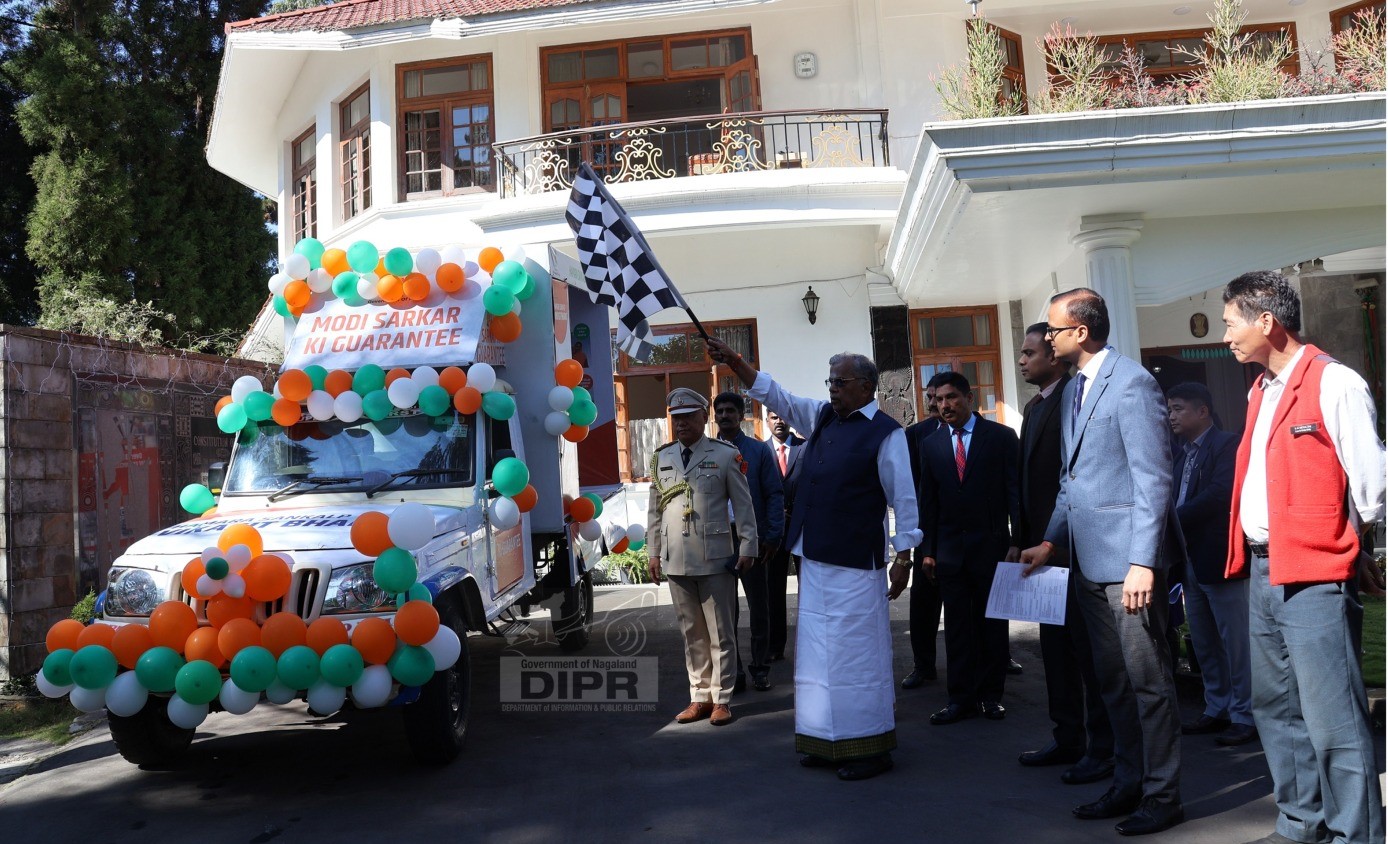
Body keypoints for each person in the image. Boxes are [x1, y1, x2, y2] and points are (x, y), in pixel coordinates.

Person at [707, 336, 920, 782]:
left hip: (857, 564)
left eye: (840, 382)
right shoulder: (824, 418)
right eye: (829, 381)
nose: (832, 389)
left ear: (866, 386)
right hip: (815, 556)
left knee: (855, 656)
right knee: (819, 655)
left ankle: (870, 746)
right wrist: (737, 362)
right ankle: (825, 740)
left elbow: (904, 497)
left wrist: (904, 556)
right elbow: (776, 396)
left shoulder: (887, 434)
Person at [1220, 271, 1384, 844]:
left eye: (1230, 322)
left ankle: (1355, 835)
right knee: (1277, 712)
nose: (1226, 337)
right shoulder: (1259, 389)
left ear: (1267, 322)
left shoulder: (1336, 382)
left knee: (1333, 719)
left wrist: (1366, 549)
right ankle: (1300, 825)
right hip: (1264, 570)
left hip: (1315, 572)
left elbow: (1372, 482)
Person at [1020, 288, 1185, 836]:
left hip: (1128, 569)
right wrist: (1049, 541)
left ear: (1081, 333)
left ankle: (1163, 795)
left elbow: (1154, 479)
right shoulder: (1072, 391)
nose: (1045, 338)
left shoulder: (1133, 384)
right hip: (1088, 564)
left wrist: (1144, 562)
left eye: (1053, 330)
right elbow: (1074, 480)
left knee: (1149, 682)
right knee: (1111, 681)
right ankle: (1128, 781)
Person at [1014, 323, 1115, 785]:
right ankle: (1067, 736)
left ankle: (1102, 747)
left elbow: (1071, 479)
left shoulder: (1076, 398)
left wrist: (1053, 539)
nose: (1022, 360)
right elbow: (1026, 481)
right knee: (1054, 650)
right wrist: (1021, 536)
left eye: (1030, 352)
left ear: (1054, 356)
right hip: (1042, 549)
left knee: (1088, 654)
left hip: (1075, 548)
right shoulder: (1036, 406)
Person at [645, 388, 757, 727]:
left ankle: (722, 699)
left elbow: (743, 504)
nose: (680, 424)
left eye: (687, 416)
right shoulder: (661, 458)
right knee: (691, 633)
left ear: (703, 417)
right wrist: (652, 552)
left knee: (721, 632)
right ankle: (699, 697)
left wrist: (748, 545)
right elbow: (655, 511)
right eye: (675, 417)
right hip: (676, 558)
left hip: (714, 556)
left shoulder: (725, 455)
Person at [915, 371, 1020, 725]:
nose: (944, 405)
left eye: (951, 398)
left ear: (969, 397)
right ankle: (959, 699)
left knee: (992, 625)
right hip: (948, 552)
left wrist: (1018, 541)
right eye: (938, 400)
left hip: (992, 548)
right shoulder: (930, 444)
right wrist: (928, 548)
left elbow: (1015, 494)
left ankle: (991, 696)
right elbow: (928, 501)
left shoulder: (1001, 438)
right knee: (957, 628)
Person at [1166, 382, 1255, 747]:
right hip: (1189, 560)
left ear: (1203, 411)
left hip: (1221, 558)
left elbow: (1220, 495)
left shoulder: (1226, 445)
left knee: (1236, 642)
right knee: (1203, 641)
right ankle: (1216, 707)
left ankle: (1245, 714)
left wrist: (1171, 519)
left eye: (1178, 409)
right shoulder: (1180, 454)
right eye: (1169, 409)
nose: (1171, 416)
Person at [712, 390, 784, 692]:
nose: (725, 415)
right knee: (724, 612)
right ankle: (735, 672)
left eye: (731, 411)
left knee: (759, 607)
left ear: (742, 416)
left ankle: (760, 668)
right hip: (717, 540)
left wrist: (771, 536)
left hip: (751, 538)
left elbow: (774, 494)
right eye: (721, 411)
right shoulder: (707, 452)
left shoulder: (757, 451)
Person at [901, 374, 946, 689]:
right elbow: (909, 487)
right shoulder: (915, 435)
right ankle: (923, 665)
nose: (934, 403)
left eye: (940, 396)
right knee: (924, 605)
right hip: (926, 532)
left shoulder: (982, 433)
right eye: (930, 396)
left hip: (967, 532)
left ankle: (997, 657)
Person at [764, 409, 804, 661]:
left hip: (803, 531)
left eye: (783, 417)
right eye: (774, 417)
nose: (780, 421)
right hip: (772, 534)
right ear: (766, 420)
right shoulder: (759, 451)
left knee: (809, 591)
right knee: (773, 591)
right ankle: (775, 646)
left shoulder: (806, 448)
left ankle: (809, 644)